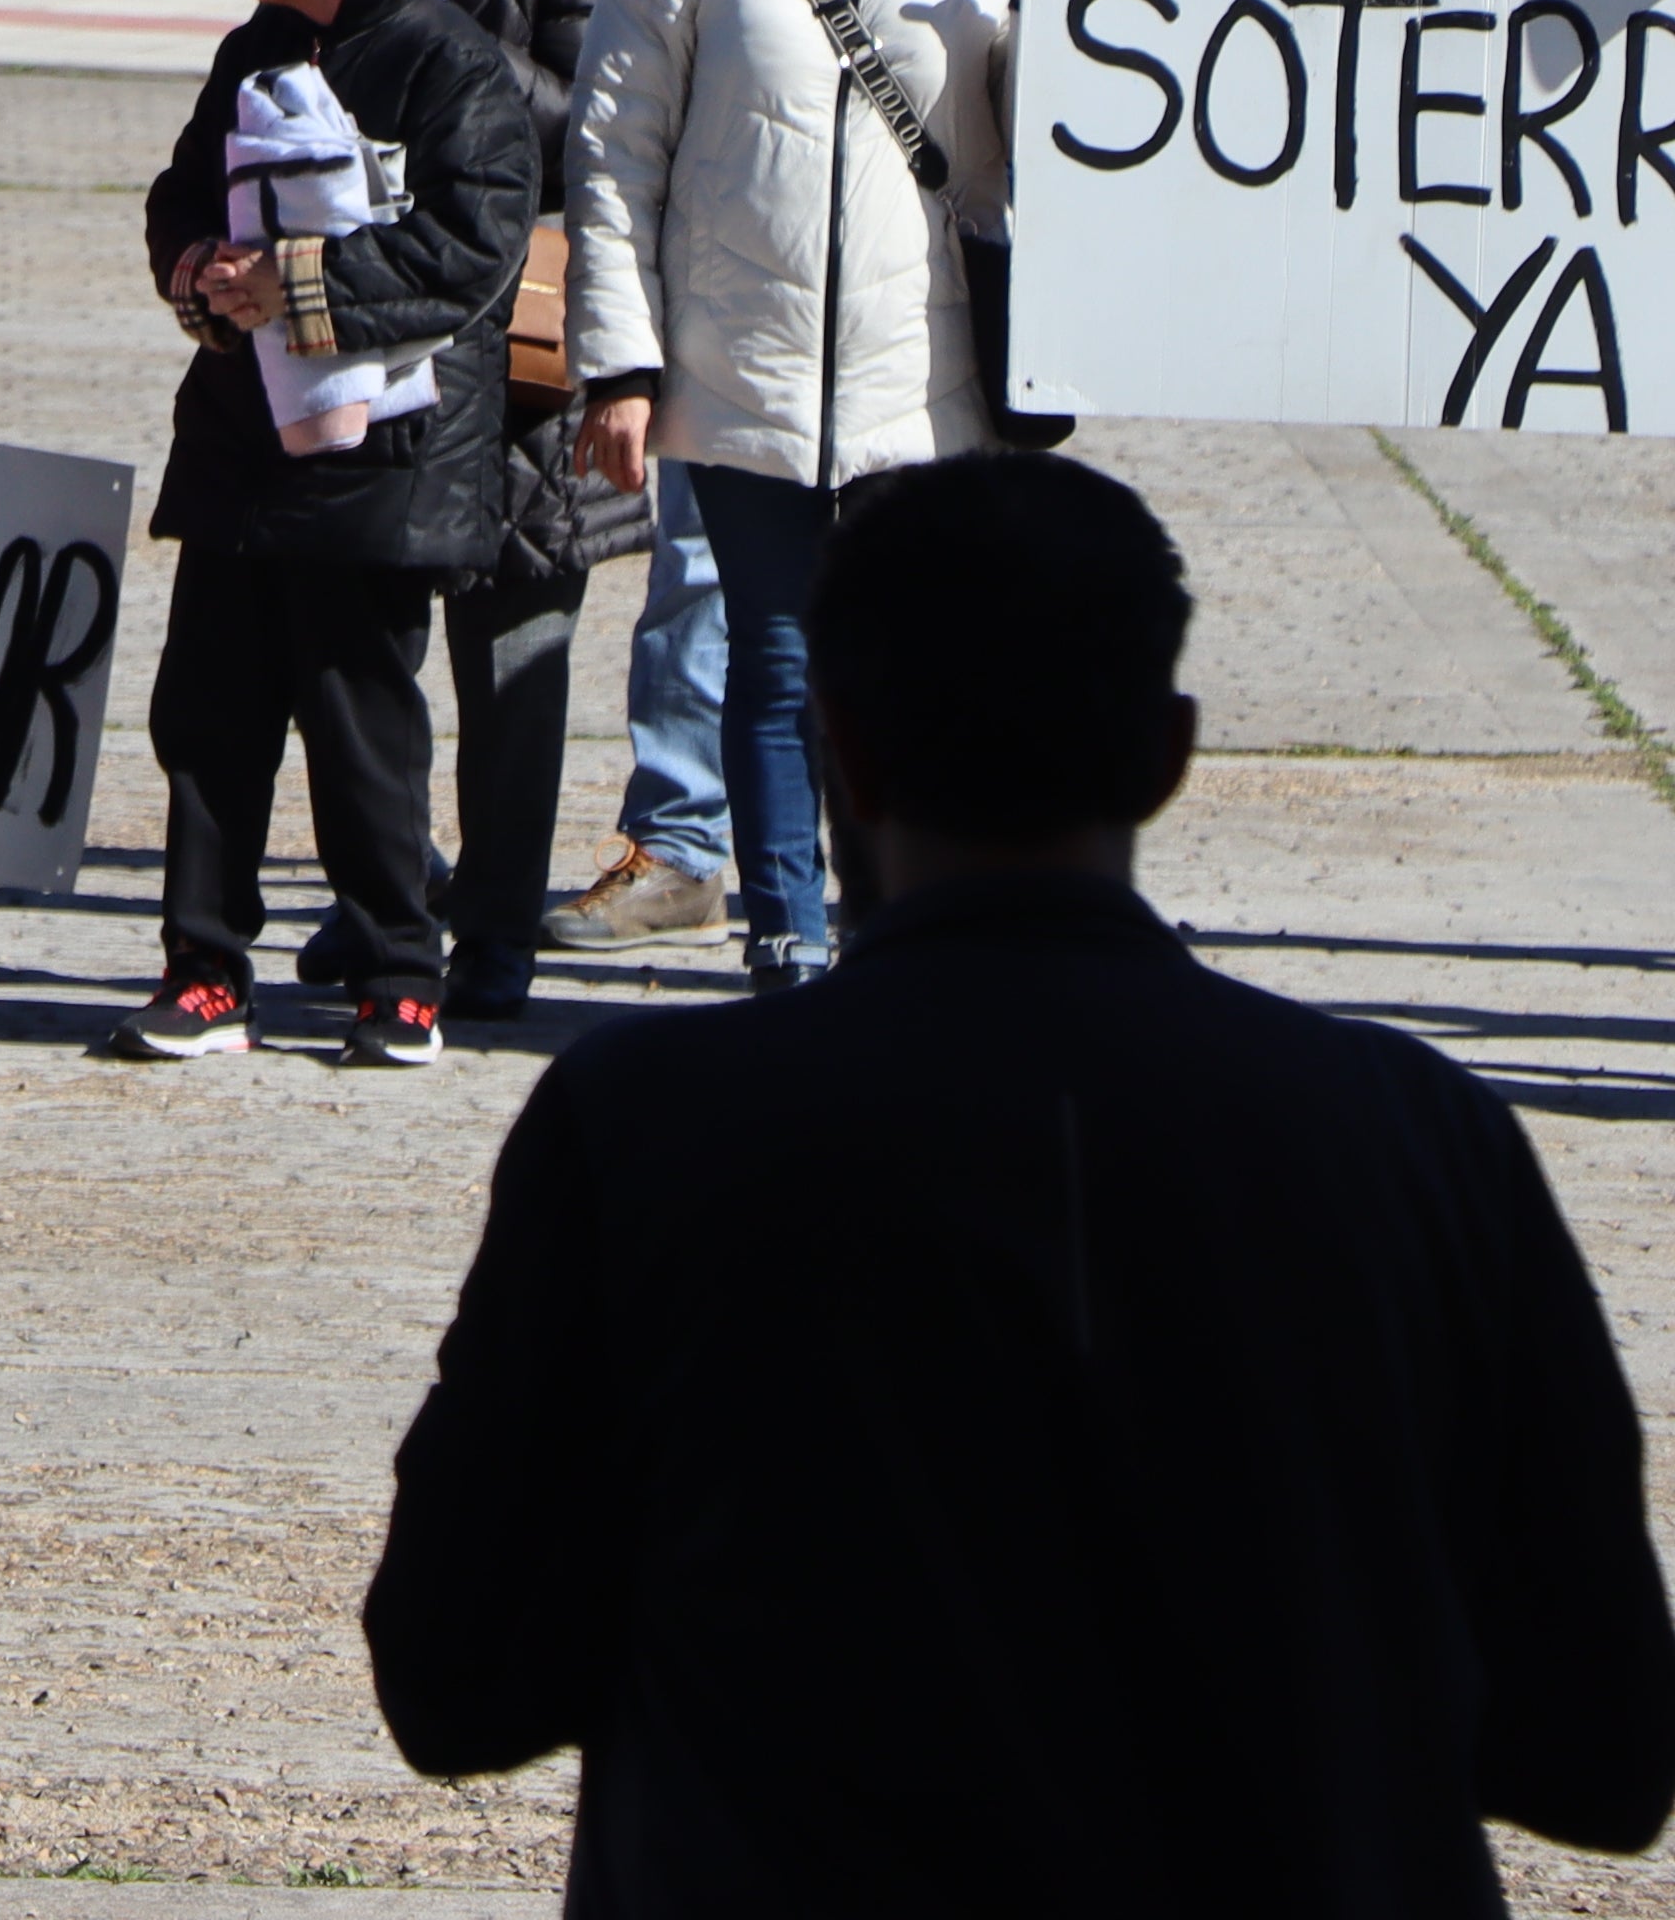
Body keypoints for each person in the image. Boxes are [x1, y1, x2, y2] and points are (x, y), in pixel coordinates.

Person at [367, 451, 1675, 1911]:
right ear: (1170, 756)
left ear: (838, 751)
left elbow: (453, 1678)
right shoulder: (1423, 1144)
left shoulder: (644, 1132)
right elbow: (1604, 1755)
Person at [556, 0, 1109, 966]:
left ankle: (900, 940)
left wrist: (1061, 14)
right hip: (739, 378)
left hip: (916, 387)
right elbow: (611, 158)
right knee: (780, 665)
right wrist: (620, 367)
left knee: (911, 674)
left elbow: (1082, 125)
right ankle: (789, 947)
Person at [107, 0, 540, 1070]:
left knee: (364, 729)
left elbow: (468, 252)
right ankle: (202, 973)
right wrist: (198, 270)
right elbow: (180, 192)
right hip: (245, 450)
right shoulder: (252, 51)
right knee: (206, 716)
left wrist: (292, 284)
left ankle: (400, 975)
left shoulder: (456, 67)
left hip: (382, 466)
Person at [334, 0, 638, 1021]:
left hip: (513, 357)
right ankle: (387, 901)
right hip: (380, 339)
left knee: (513, 668)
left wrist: (442, 41)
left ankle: (500, 932)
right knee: (363, 655)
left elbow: (597, 132)